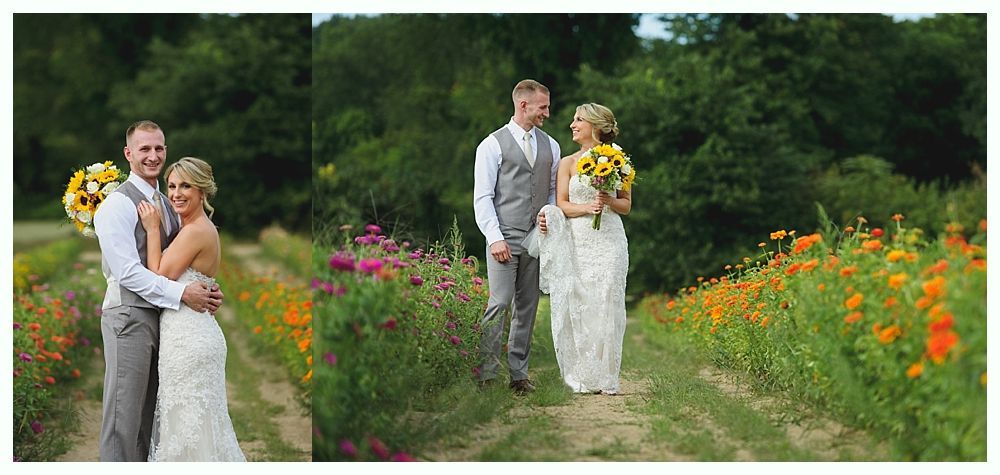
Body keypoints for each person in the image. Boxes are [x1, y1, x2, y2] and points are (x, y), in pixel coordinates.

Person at [94, 120, 224, 462]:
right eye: (145, 149)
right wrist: (183, 294)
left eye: (159, 148)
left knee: (150, 420)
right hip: (129, 317)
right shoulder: (116, 206)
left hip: (167, 322)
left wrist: (205, 288)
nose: (153, 156)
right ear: (128, 154)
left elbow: (181, 262)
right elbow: (128, 273)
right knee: (123, 419)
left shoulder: (167, 203)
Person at [136, 156, 245, 462]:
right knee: (196, 428)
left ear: (202, 192)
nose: (176, 193)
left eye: (186, 185)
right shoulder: (196, 228)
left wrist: (153, 228)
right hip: (191, 335)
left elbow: (158, 276)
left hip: (189, 342)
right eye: (171, 186)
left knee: (187, 431)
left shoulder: (196, 230)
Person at [473, 79, 561, 395]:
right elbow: (483, 197)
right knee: (499, 303)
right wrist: (494, 237)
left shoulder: (551, 145)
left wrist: (548, 214)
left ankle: (519, 376)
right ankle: (485, 375)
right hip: (504, 235)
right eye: (543, 107)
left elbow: (551, 190)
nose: (547, 114)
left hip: (536, 238)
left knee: (528, 306)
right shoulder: (491, 145)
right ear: (523, 105)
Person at [536, 103, 631, 395]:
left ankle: (606, 376)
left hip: (611, 239)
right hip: (579, 241)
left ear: (595, 126)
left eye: (578, 120)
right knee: (582, 302)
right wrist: (586, 207)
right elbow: (562, 202)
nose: (572, 125)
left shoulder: (621, 162)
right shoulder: (566, 163)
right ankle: (582, 373)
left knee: (607, 300)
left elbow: (625, 205)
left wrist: (608, 199)